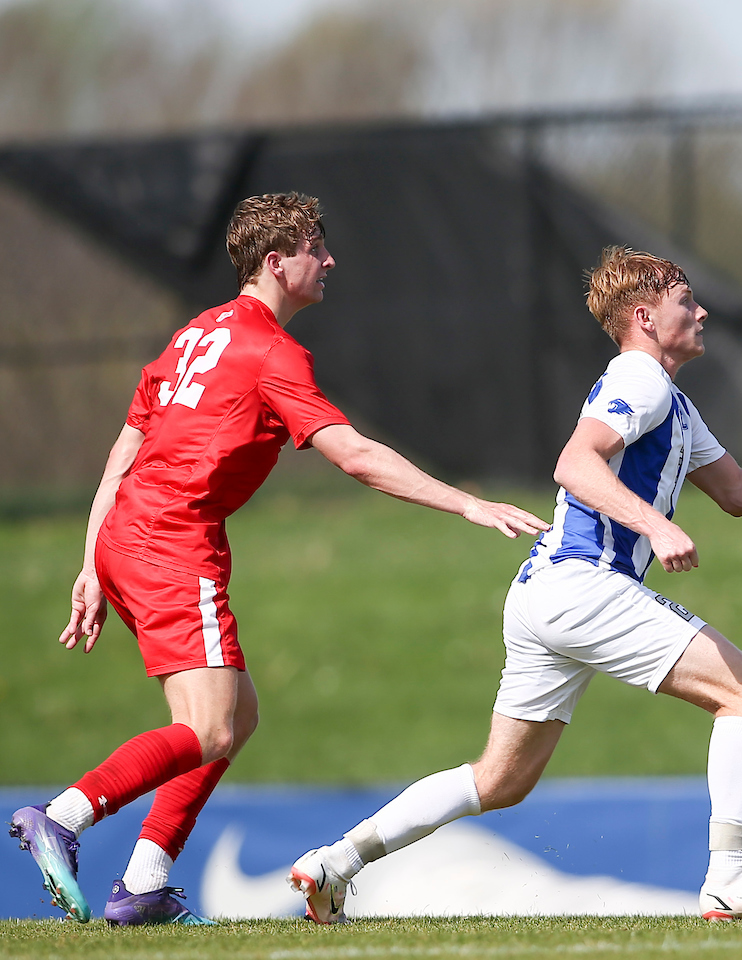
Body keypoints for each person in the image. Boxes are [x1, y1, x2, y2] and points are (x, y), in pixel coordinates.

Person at [288, 245, 742, 923]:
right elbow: (575, 462)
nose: (702, 310)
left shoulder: (670, 400)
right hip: (583, 584)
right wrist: (653, 526)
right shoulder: (642, 379)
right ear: (645, 318)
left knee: (500, 779)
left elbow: (738, 490)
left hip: (543, 593)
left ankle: (336, 862)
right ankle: (730, 874)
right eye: (685, 301)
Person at [8, 192, 548, 926]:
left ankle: (141, 881)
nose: (328, 261)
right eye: (315, 248)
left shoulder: (194, 333)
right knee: (210, 729)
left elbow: (123, 450)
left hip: (128, 533)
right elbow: (354, 456)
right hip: (171, 542)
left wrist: (91, 561)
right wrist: (465, 502)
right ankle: (65, 818)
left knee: (237, 714)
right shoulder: (271, 351)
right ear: (275, 261)